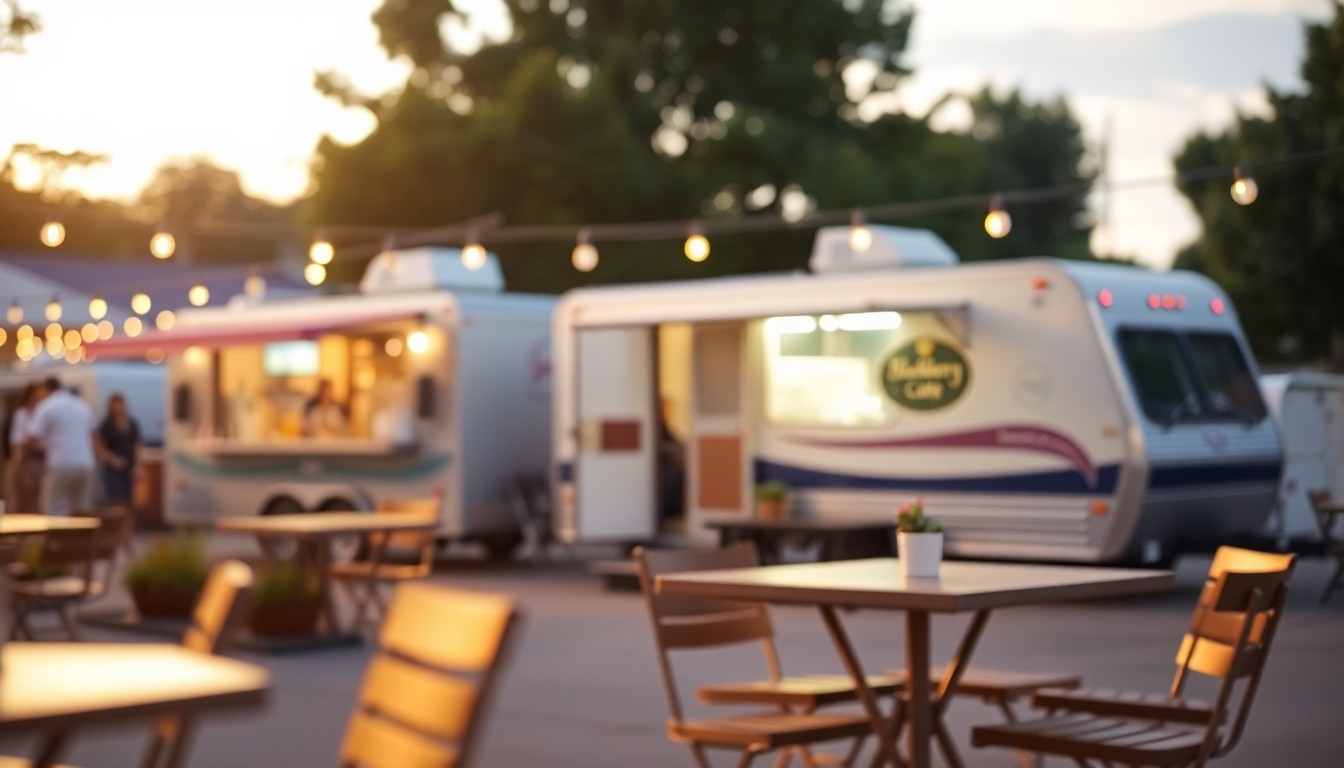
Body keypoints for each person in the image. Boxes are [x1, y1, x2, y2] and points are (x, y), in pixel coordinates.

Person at [25, 377, 96, 516]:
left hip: (61, 462)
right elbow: (93, 435)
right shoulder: (82, 405)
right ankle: (82, 538)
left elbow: (32, 438)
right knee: (81, 509)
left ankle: (59, 538)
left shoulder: (47, 406)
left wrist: (44, 446)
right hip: (86, 463)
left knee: (53, 507)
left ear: (46, 389)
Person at [95, 392, 142, 506]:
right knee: (116, 499)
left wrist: (138, 466)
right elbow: (99, 448)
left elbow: (137, 445)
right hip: (112, 469)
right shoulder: (106, 425)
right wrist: (113, 459)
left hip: (129, 467)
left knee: (129, 500)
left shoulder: (131, 423)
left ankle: (128, 523)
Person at [4, 383, 44, 515]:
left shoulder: (41, 414)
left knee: (36, 504)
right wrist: (22, 471)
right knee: (17, 504)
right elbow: (17, 445)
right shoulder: (21, 415)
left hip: (37, 462)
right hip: (22, 461)